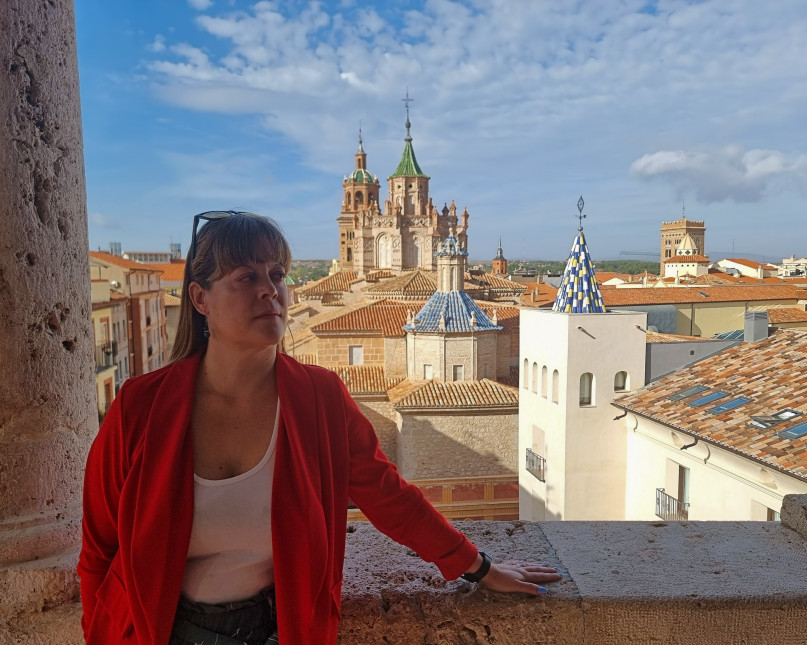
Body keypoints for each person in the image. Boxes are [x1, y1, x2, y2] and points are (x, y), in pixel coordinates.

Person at [78, 211, 561, 645]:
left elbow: (389, 497)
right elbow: (99, 550)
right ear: (200, 298)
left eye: (278, 274)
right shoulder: (140, 408)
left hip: (279, 629)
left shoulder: (319, 398)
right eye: (247, 276)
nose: (271, 289)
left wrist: (477, 566)